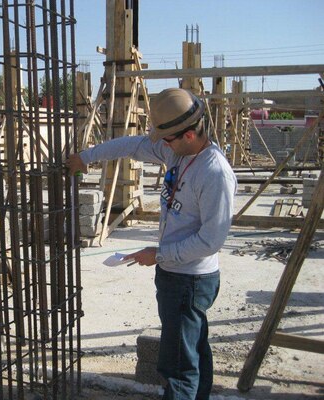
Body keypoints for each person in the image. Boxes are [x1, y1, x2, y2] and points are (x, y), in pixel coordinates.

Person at [67, 88, 237, 400]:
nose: (161, 145)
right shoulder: (177, 152)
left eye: (167, 139)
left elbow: (211, 241)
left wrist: (159, 255)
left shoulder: (214, 173)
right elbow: (132, 145)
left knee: (178, 366)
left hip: (190, 279)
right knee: (193, 348)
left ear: (188, 134)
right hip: (176, 275)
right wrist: (86, 157)